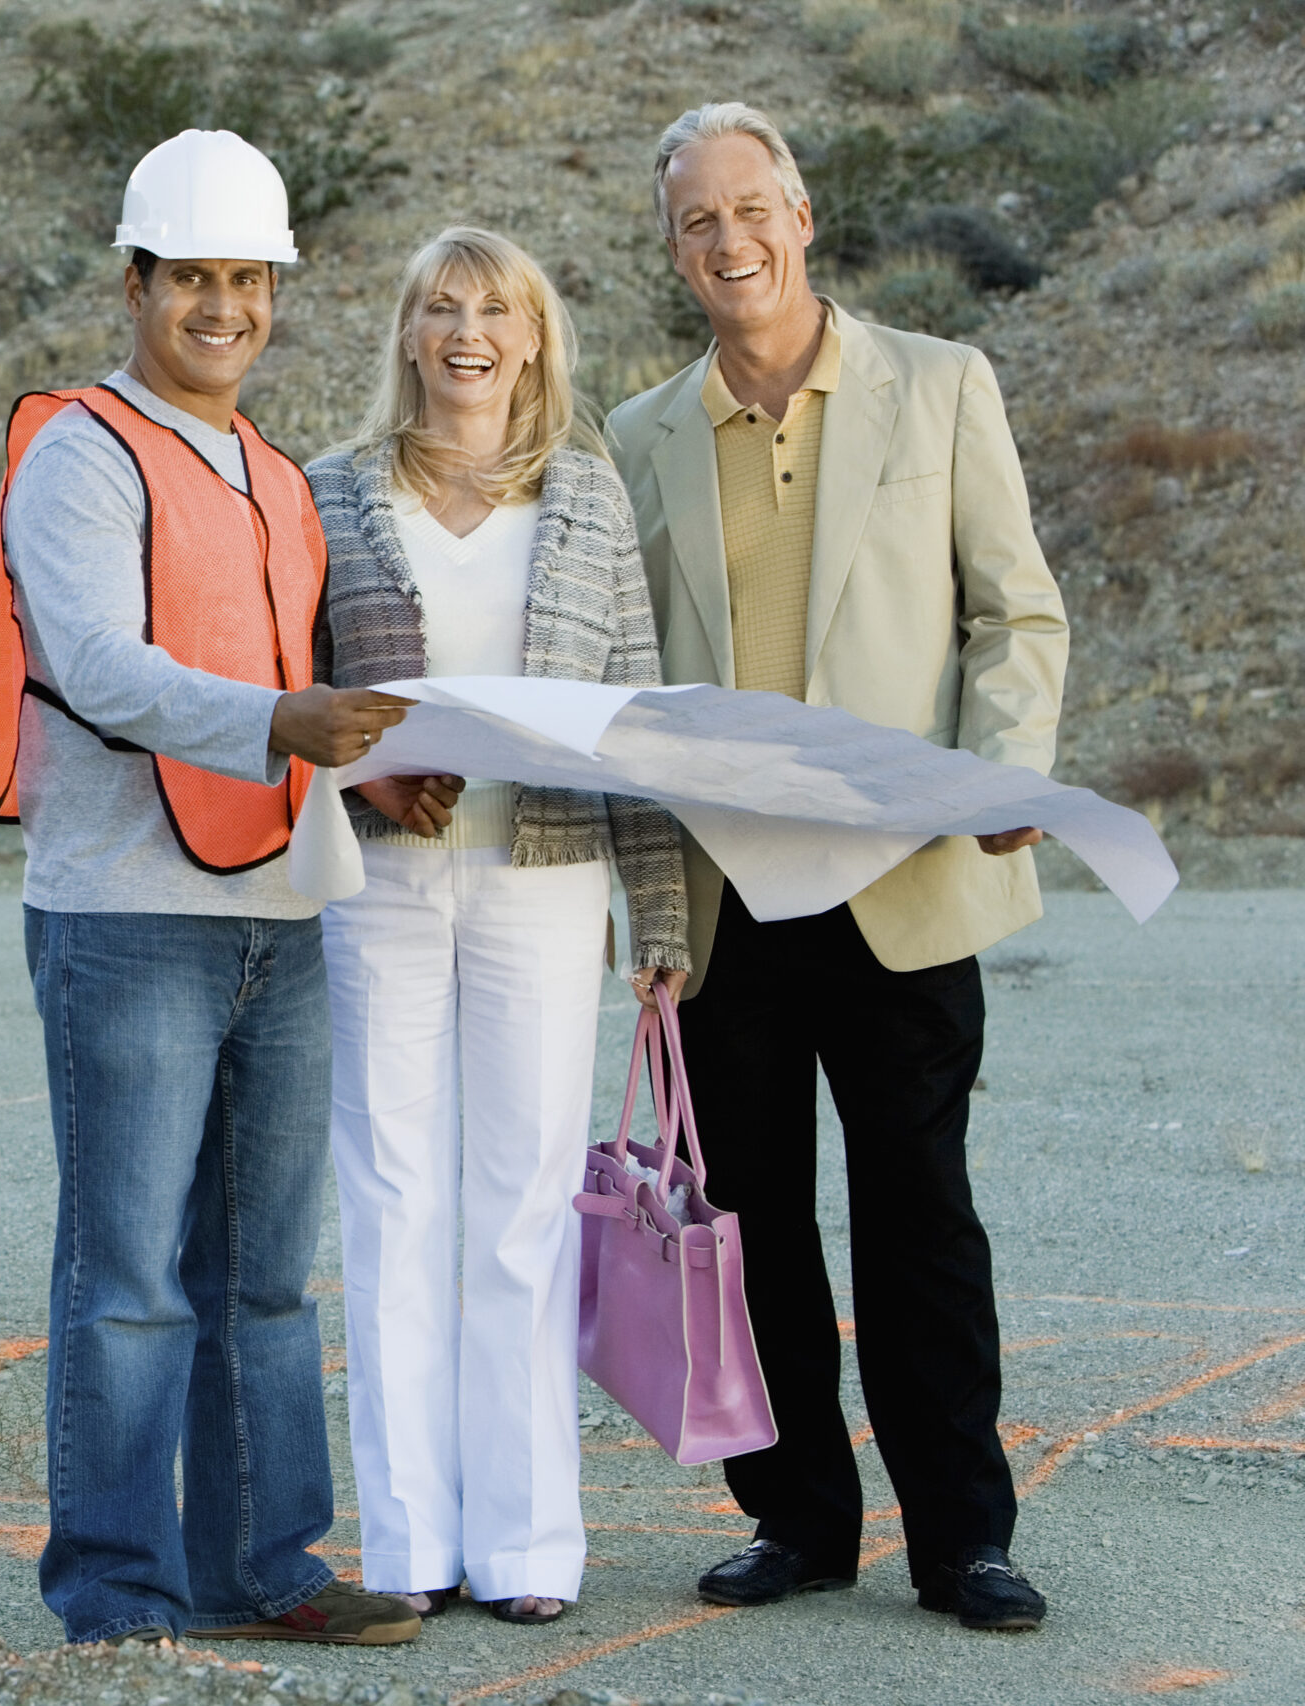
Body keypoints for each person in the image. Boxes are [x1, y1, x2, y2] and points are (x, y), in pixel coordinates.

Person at [605, 102, 1068, 1632]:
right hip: (731, 903)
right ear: (674, 249)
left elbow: (1018, 615)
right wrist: (651, 908)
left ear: (802, 217)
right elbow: (631, 679)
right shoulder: (638, 435)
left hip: (903, 879)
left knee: (922, 1210)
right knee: (758, 1224)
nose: (729, 241)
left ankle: (964, 1539)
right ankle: (800, 1518)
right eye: (696, 222)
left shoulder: (940, 387)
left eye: (752, 209)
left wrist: (1003, 759)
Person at [0, 129, 425, 1649]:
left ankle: (265, 1561)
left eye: (248, 278)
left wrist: (364, 766)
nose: (222, 305)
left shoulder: (279, 478)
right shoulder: (77, 457)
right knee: (129, 1279)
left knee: (264, 1278)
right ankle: (114, 1591)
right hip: (127, 918)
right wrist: (282, 724)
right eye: (192, 277)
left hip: (282, 916)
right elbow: (102, 669)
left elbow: (284, 676)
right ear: (137, 281)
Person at [303, 227, 689, 1627]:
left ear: (534, 341)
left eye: (497, 311)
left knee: (525, 1206)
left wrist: (658, 907)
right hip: (381, 885)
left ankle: (529, 1547)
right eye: (442, 308)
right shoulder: (330, 491)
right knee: (394, 1199)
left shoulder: (586, 498)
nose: (469, 332)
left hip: (546, 879)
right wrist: (358, 781)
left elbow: (633, 718)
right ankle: (408, 1542)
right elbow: (292, 690)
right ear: (408, 334)